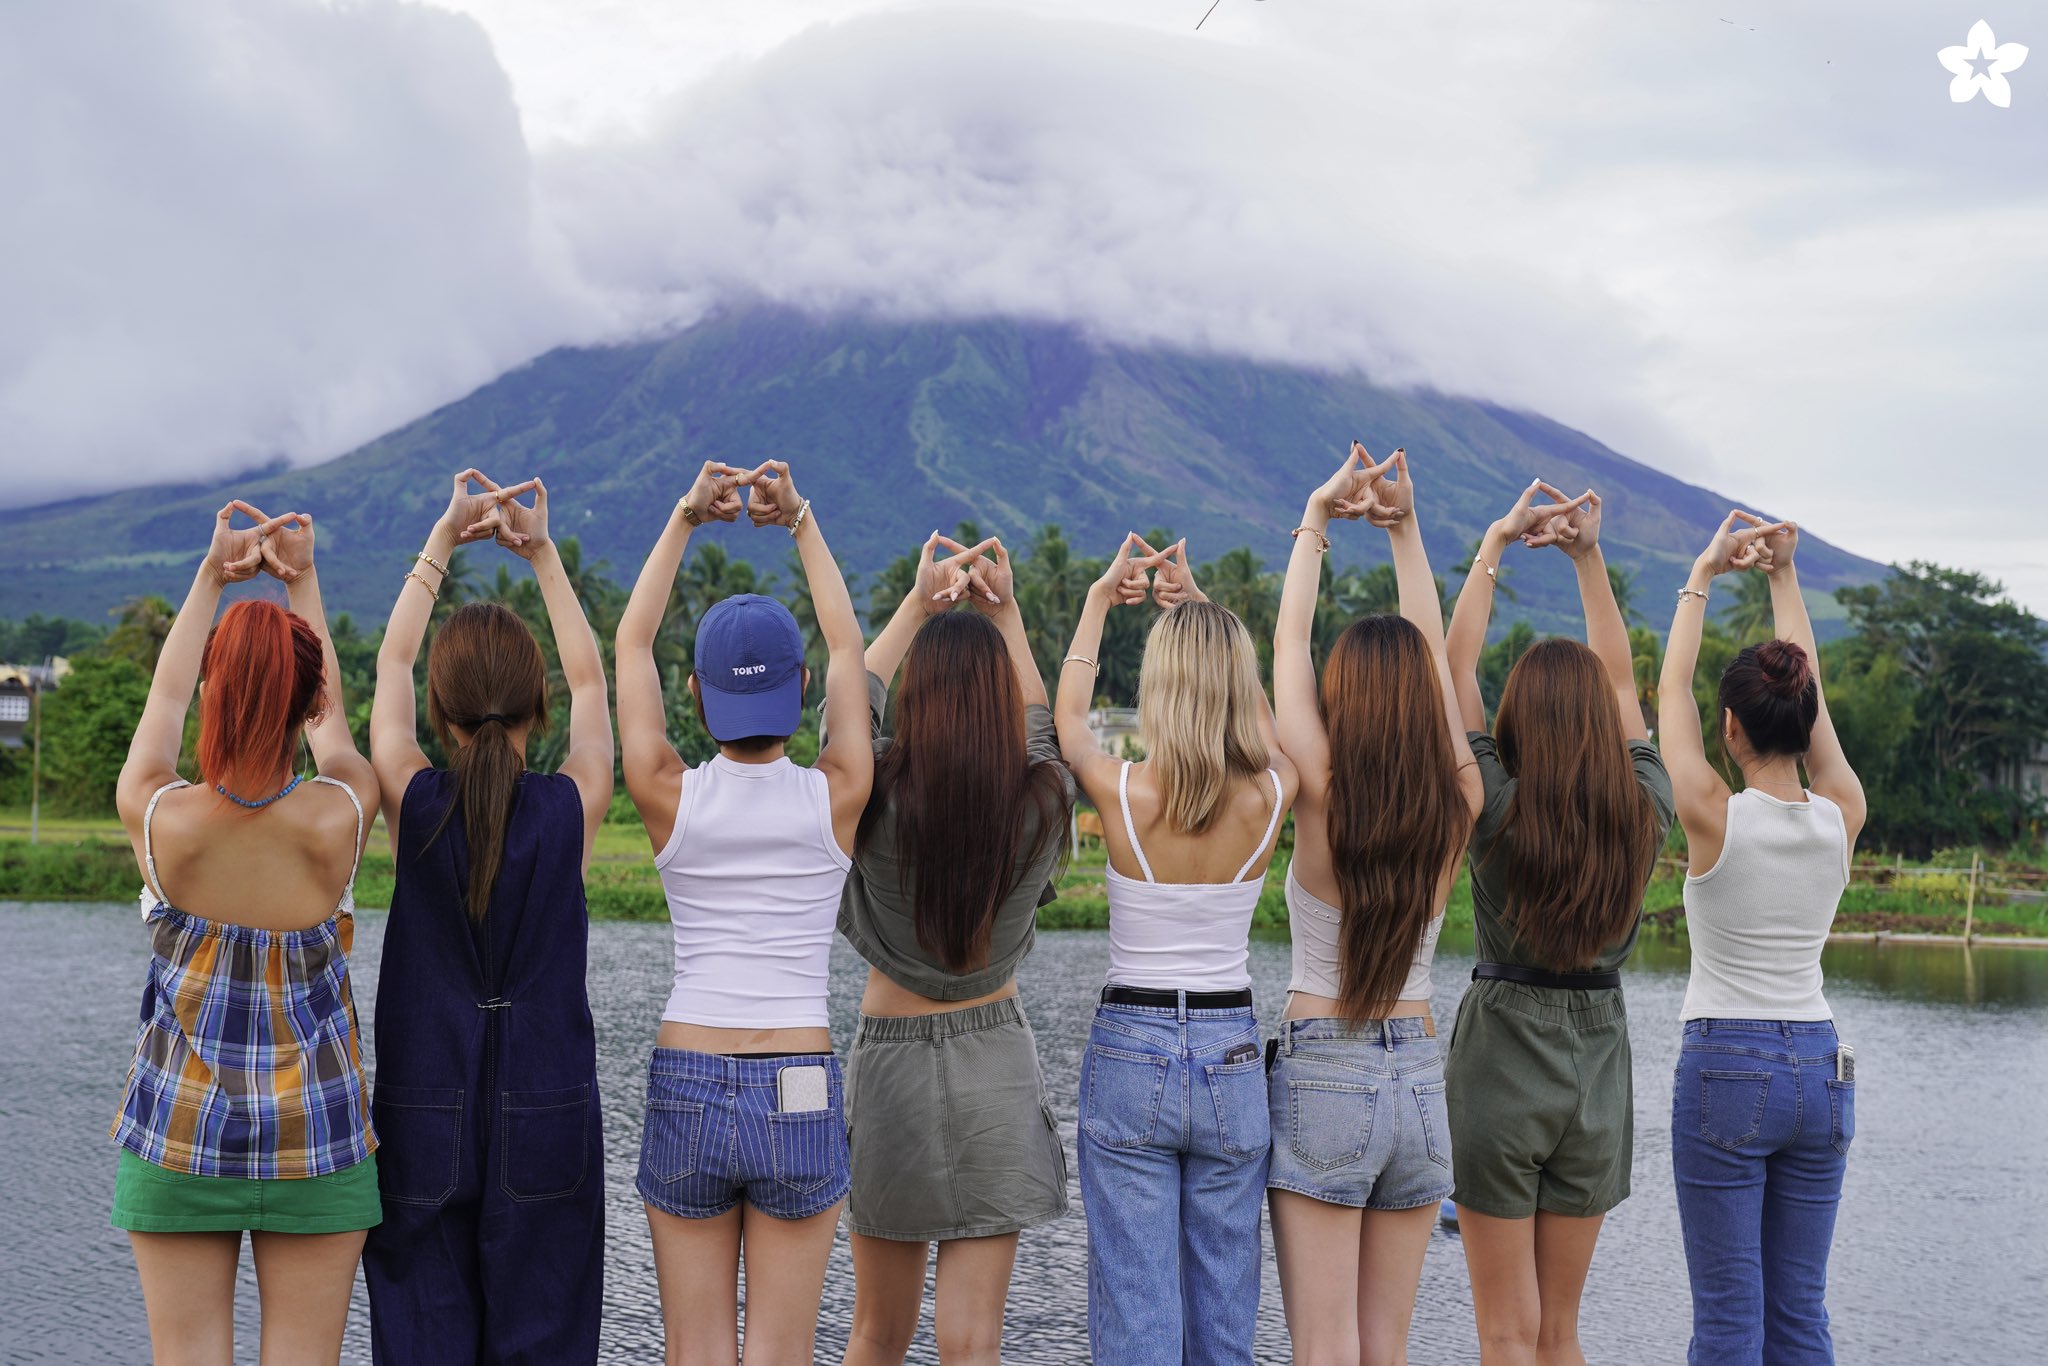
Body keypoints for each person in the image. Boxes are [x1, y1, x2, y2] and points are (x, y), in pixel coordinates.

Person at [615, 458, 873, 1366]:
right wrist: (799, 520)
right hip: (800, 1075)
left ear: (696, 696)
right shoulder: (837, 793)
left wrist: (686, 516)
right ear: (802, 691)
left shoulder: (668, 796)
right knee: (781, 1353)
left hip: (689, 1070)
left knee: (694, 1351)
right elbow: (851, 650)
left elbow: (631, 645)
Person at [111, 500, 380, 1365]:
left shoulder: (162, 819)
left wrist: (210, 576)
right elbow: (334, 733)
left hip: (178, 1130)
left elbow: (164, 695)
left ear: (214, 694)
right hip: (321, 1135)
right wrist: (299, 577)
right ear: (308, 699)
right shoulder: (339, 814)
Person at [363, 470, 614, 1365]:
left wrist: (441, 542)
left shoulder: (411, 798)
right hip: (548, 1111)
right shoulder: (572, 806)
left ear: (441, 712)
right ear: (535, 708)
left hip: (423, 1109)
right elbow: (594, 684)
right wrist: (542, 552)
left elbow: (390, 664)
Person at [1442, 481, 1676, 1366]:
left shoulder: (1495, 808)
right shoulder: (1644, 808)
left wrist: (1496, 541)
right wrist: (1588, 558)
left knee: (1504, 1331)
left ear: (1518, 725)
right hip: (1601, 1063)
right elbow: (1619, 677)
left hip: (1502, 1053)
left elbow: (1454, 671)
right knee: (1560, 1334)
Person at [1055, 532, 1299, 1366]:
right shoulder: (1270, 798)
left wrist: (1096, 602)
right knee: (1226, 1312)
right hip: (1231, 1055)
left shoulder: (1124, 791)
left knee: (1135, 1306)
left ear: (1157, 686)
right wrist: (1206, 613)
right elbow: (1270, 736)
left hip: (1132, 1047)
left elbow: (1066, 720)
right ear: (1234, 683)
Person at [1267, 446, 1484, 1366]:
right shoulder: (1458, 802)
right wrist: (1405, 529)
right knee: (1384, 1350)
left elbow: (1285, 646)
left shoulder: (1319, 791)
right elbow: (1435, 664)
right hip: (1423, 1080)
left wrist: (1318, 519)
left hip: (1325, 1068)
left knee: (1322, 1349)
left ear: (1342, 699)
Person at [838, 532, 1075, 1366]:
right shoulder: (1041, 803)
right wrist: (1005, 613)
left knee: (876, 1332)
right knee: (973, 1340)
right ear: (996, 698)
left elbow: (851, 702)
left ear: (921, 700)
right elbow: (1043, 729)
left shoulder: (871, 799)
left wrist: (916, 602)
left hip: (891, 1065)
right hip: (997, 1061)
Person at [1659, 513, 1865, 1366]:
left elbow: (1668, 694)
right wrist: (1784, 577)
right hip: (1822, 1067)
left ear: (1732, 729)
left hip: (1728, 1065)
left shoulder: (1713, 817)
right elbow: (1813, 723)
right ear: (1804, 719)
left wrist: (1704, 571)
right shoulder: (1840, 815)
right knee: (1800, 1319)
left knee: (1729, 1323)